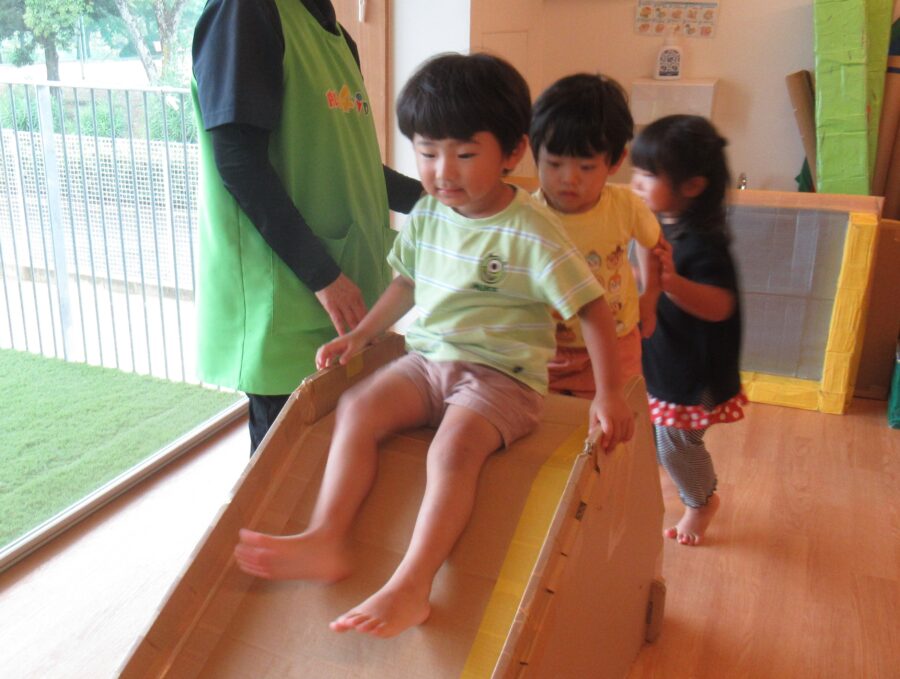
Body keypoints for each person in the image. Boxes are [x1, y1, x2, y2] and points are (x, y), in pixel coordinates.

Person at [234, 52, 634, 638]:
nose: (443, 171)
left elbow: (593, 309)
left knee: (450, 453)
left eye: (465, 154)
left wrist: (610, 394)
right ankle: (326, 538)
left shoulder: (531, 230)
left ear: (512, 152)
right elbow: (406, 284)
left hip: (502, 378)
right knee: (356, 407)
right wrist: (362, 335)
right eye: (426, 153)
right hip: (427, 362)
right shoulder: (428, 215)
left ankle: (413, 584)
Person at [191, 0, 422, 453]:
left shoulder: (335, 35)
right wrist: (324, 277)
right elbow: (238, 163)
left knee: (342, 467)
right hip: (287, 307)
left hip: (345, 307)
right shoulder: (246, 12)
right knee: (288, 479)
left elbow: (354, 168)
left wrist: (443, 200)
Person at [629, 114, 747, 546]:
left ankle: (701, 502)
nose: (636, 183)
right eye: (636, 172)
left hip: (694, 372)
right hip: (665, 359)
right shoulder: (658, 224)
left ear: (693, 186)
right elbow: (646, 281)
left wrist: (673, 284)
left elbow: (721, 306)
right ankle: (676, 480)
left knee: (676, 443)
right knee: (656, 436)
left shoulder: (703, 243)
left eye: (648, 175)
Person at [530, 73, 662, 399]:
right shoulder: (525, 216)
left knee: (619, 419)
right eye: (554, 164)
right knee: (547, 423)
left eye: (586, 167)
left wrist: (650, 295)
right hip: (545, 348)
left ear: (615, 161)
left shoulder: (626, 205)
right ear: (535, 155)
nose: (568, 179)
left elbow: (653, 244)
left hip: (616, 343)